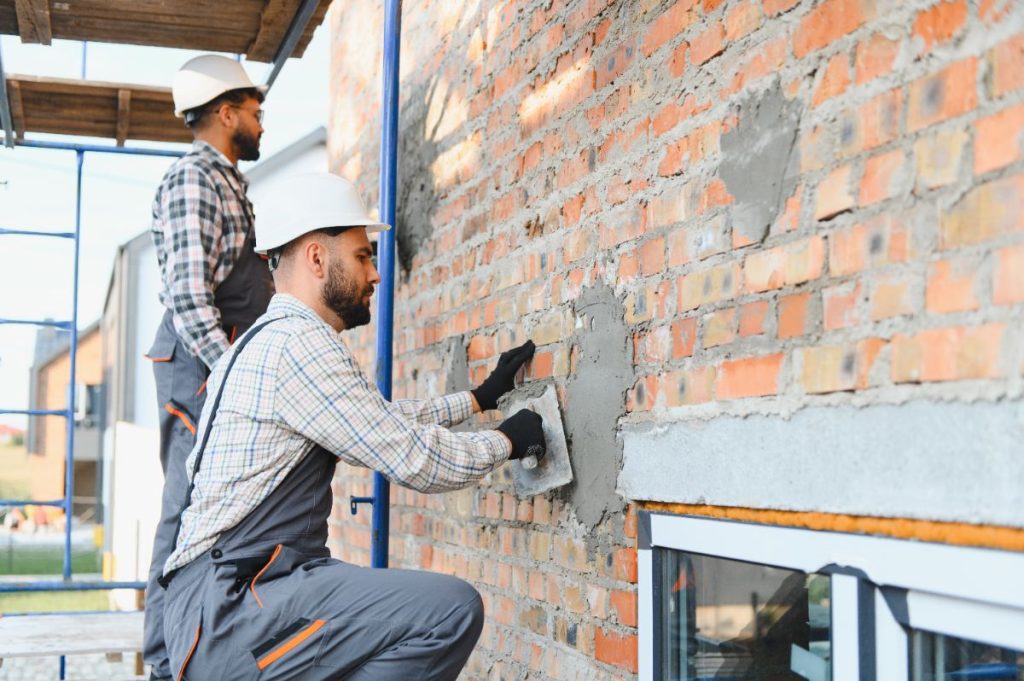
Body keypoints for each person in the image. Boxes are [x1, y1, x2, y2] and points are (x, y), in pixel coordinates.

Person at [156, 172, 546, 681]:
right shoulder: (298, 347)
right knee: (449, 612)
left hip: (228, 603)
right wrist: (506, 442)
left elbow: (375, 420)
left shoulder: (269, 340)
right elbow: (415, 460)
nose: (375, 274)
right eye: (363, 256)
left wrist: (478, 399)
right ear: (318, 258)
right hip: (234, 609)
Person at [143, 54, 275, 681]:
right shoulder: (195, 179)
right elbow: (190, 298)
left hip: (216, 364)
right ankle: (163, 660)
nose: (261, 123)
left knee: (216, 507)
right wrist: (233, 375)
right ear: (226, 113)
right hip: (198, 366)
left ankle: (199, 645)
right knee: (183, 507)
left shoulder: (228, 183)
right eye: (254, 111)